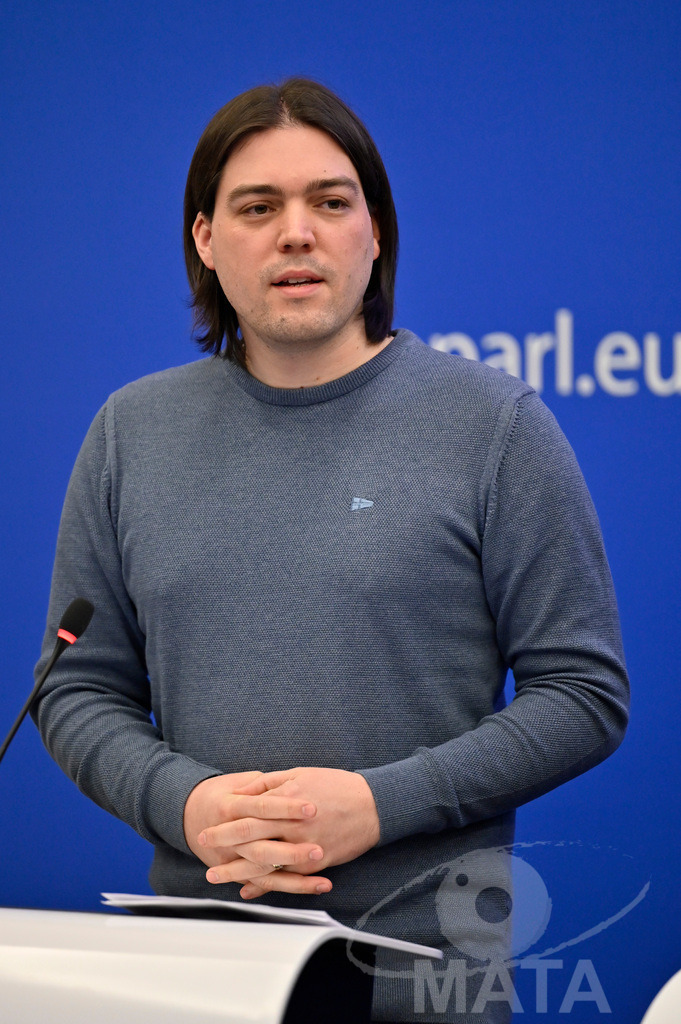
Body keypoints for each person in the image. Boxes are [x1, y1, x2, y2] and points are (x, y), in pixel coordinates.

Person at [34, 78, 629, 1022]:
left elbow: (582, 695)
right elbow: (75, 688)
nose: (295, 232)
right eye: (257, 207)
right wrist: (185, 803)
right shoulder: (129, 434)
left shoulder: (494, 426)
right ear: (205, 242)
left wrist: (381, 804)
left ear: (375, 231)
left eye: (330, 201)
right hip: (189, 974)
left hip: (423, 979)